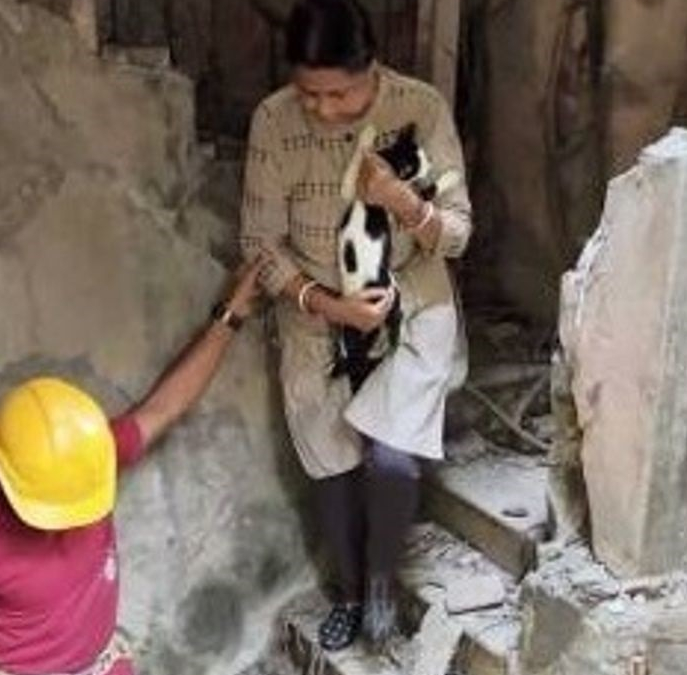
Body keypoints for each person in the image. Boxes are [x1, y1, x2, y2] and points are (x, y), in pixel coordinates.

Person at [239, 0, 472, 651]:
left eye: (338, 93)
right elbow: (260, 243)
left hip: (411, 306)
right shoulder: (274, 121)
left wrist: (401, 200)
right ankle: (345, 589)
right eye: (307, 92)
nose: (320, 107)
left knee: (393, 461)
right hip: (319, 312)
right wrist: (327, 303)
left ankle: (379, 582)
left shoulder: (419, 109)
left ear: (370, 71)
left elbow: (456, 234)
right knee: (333, 467)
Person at [0, 260, 264, 675]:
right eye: (52, 507)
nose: (64, 522)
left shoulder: (86, 457)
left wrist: (230, 316)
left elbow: (166, 406)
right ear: (0, 471)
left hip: (106, 666)